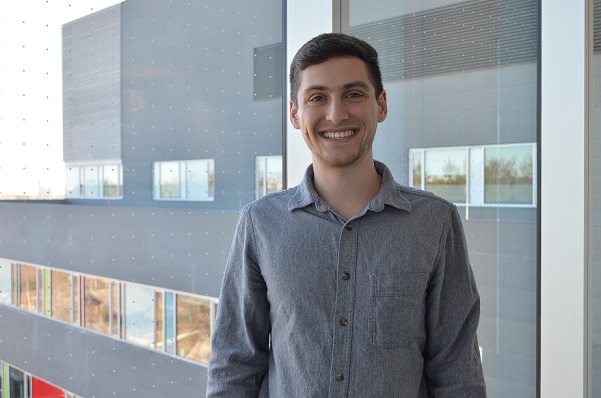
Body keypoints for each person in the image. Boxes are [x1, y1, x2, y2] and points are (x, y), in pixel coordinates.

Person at [206, 32, 486, 397]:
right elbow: (234, 365)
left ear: (381, 105)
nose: (336, 114)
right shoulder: (261, 224)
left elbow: (457, 373)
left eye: (354, 94)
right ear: (295, 113)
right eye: (317, 98)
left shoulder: (434, 223)